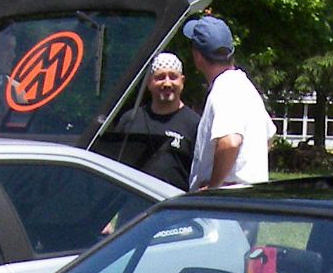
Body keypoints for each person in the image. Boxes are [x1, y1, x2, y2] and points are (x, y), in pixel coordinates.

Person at [181, 14, 274, 191]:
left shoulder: (226, 88)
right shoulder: (244, 85)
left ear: (198, 56)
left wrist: (214, 187)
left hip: (223, 207)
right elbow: (269, 137)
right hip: (243, 202)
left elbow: (230, 142)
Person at [106, 52, 201, 188]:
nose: (167, 83)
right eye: (160, 77)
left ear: (182, 81)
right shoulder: (130, 119)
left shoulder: (194, 124)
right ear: (149, 83)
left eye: (173, 77)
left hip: (174, 204)